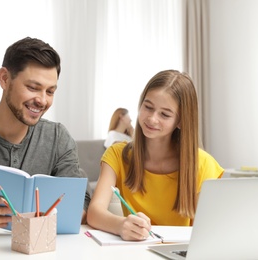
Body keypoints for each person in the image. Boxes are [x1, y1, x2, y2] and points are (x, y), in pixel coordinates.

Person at [0, 37, 91, 236]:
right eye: (33, 88)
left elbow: (80, 204)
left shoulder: (58, 138)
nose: (42, 100)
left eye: (50, 91)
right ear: (5, 78)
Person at [87, 69, 223, 241]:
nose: (152, 119)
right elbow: (94, 212)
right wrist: (121, 225)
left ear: (181, 121)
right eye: (148, 107)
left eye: (165, 114)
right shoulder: (117, 154)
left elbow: (206, 231)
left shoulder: (202, 164)